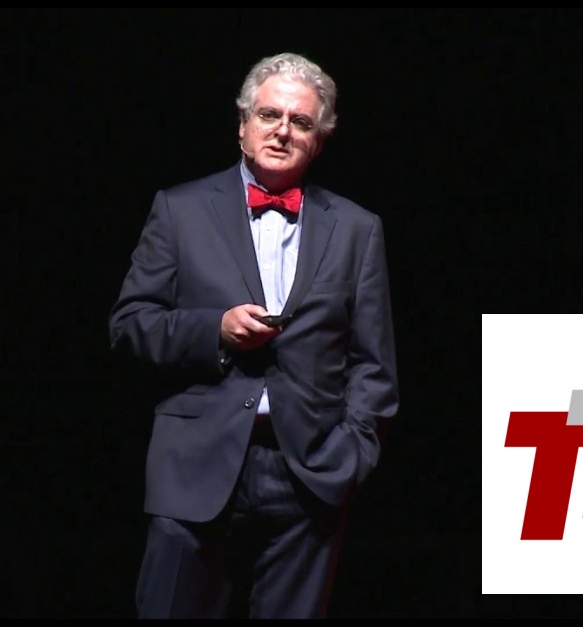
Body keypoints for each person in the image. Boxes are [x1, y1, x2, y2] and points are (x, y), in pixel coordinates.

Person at [108, 51, 400, 619]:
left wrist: (351, 454)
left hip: (308, 473)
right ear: (242, 125)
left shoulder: (358, 229)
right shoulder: (180, 209)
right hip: (196, 465)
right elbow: (129, 323)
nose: (283, 131)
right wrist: (213, 330)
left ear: (320, 140)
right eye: (269, 115)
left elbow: (373, 363)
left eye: (301, 122)